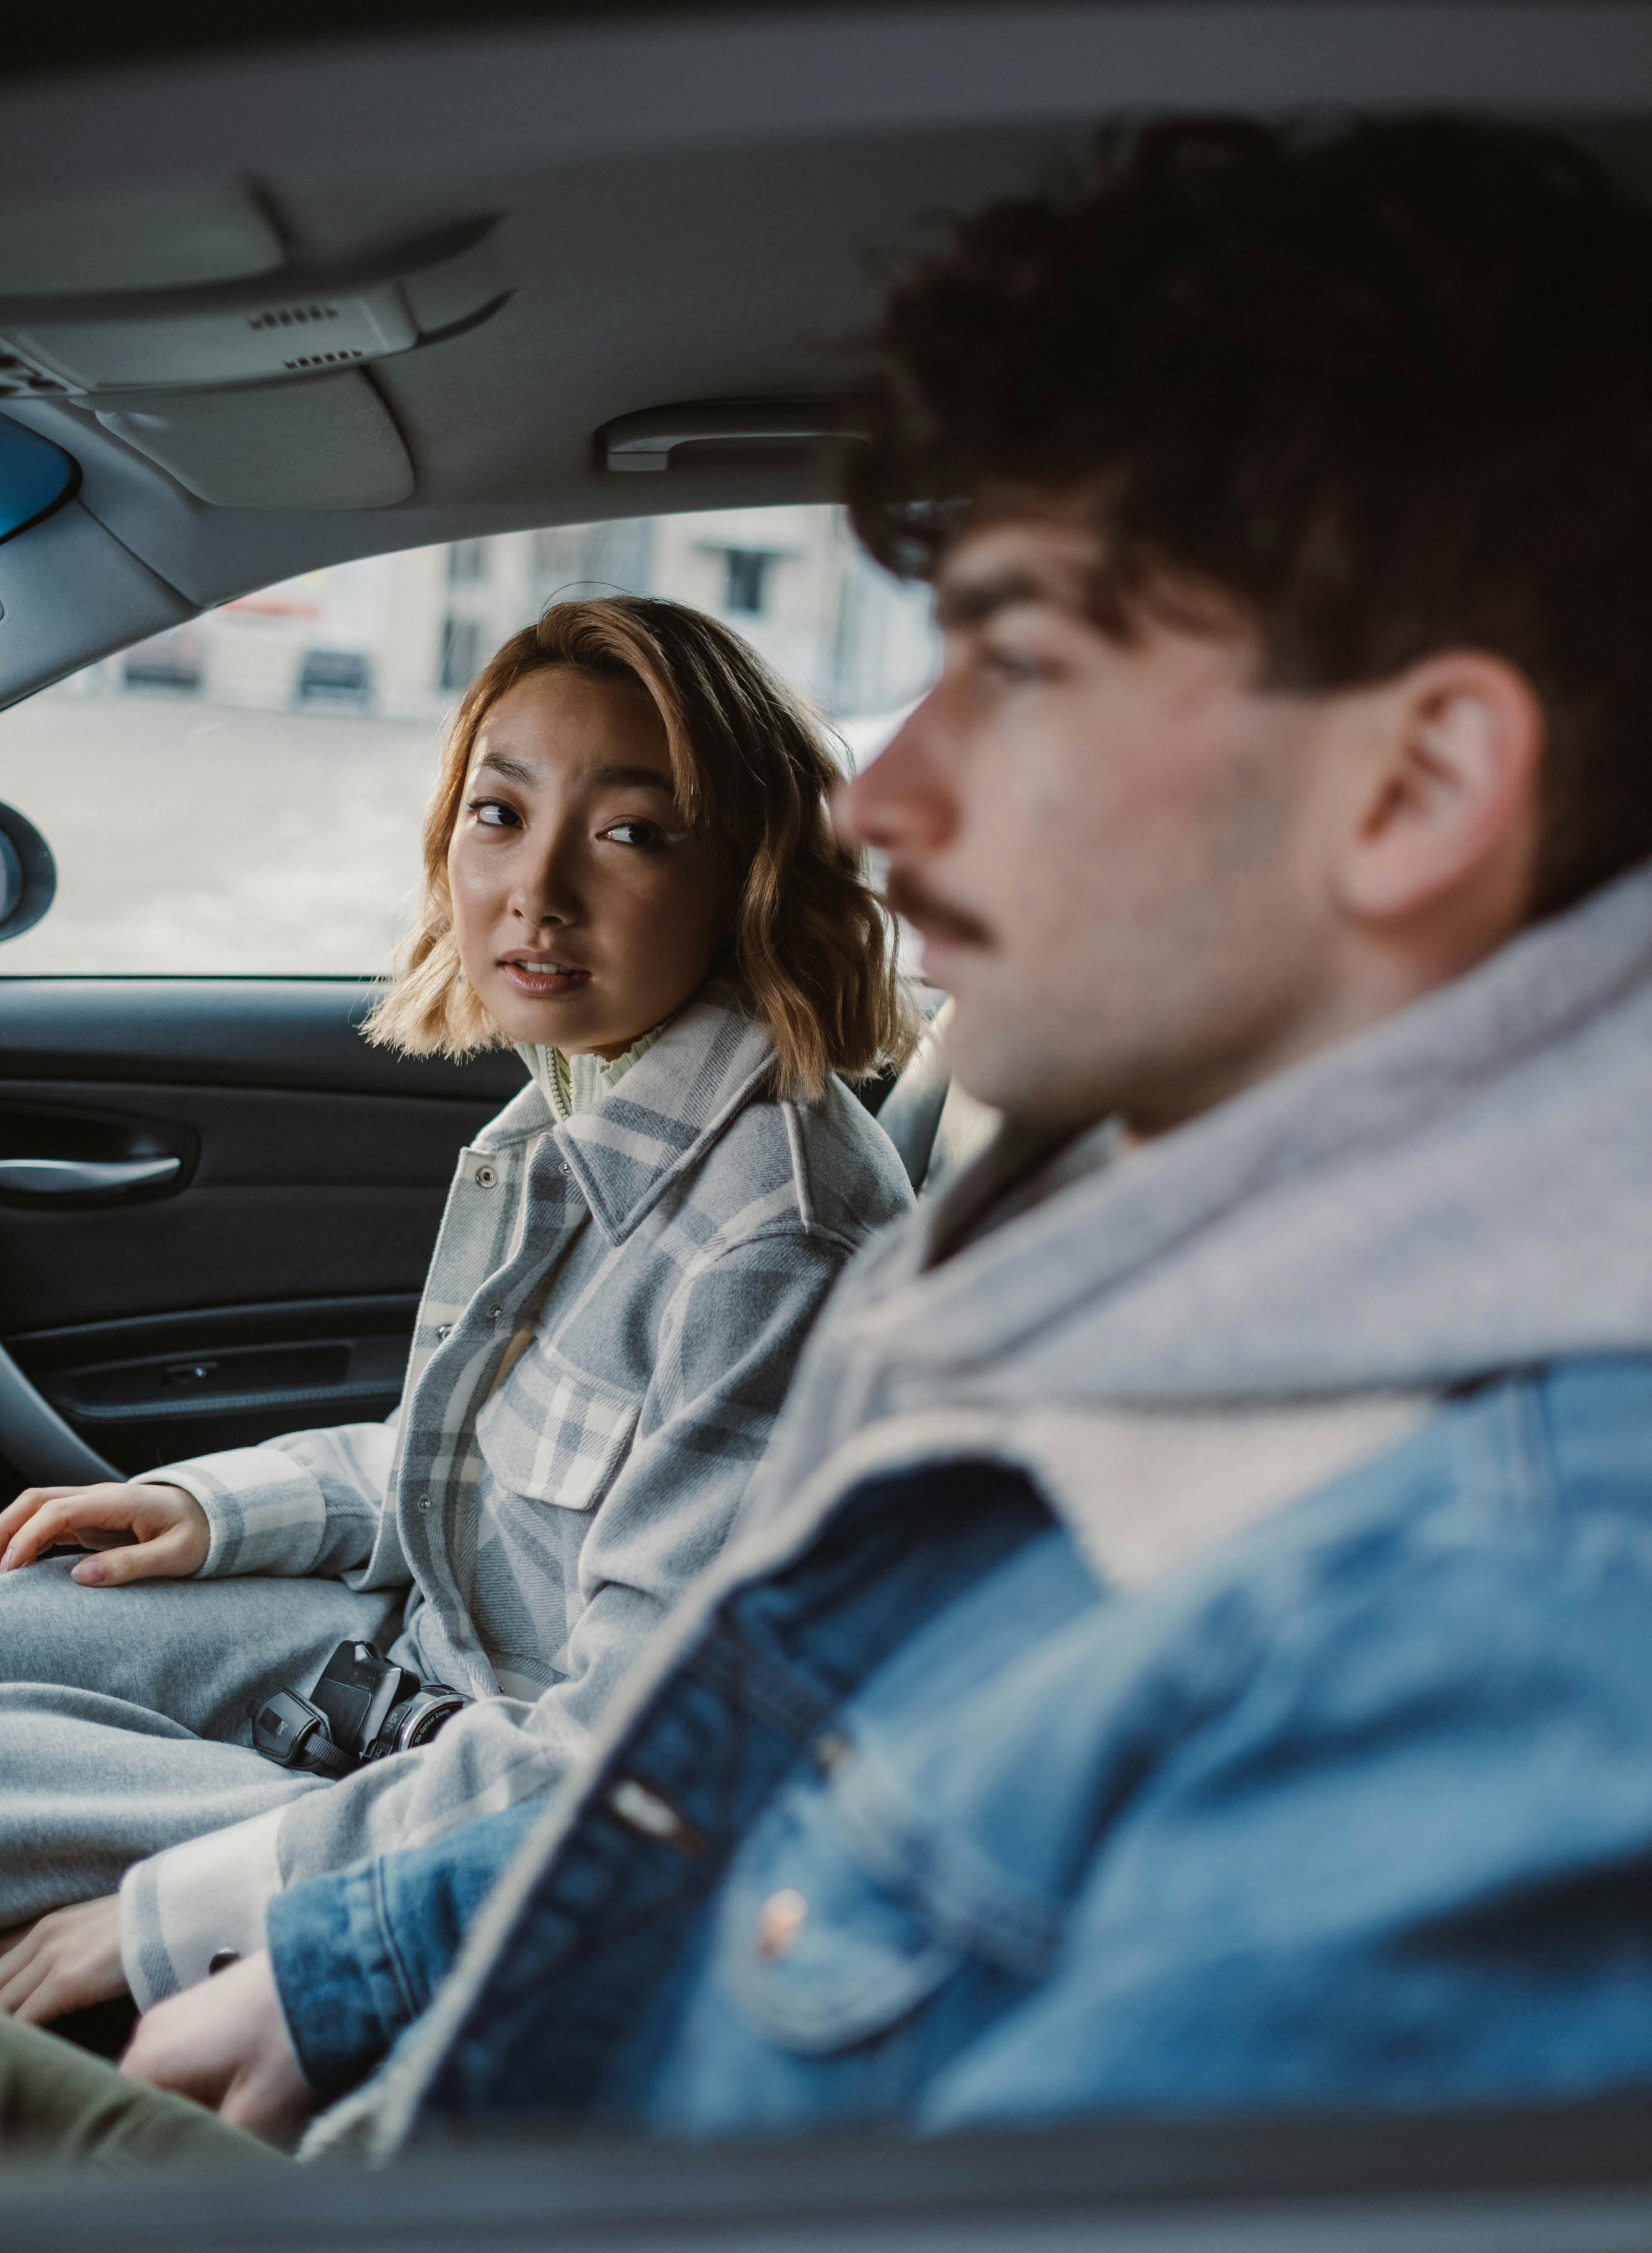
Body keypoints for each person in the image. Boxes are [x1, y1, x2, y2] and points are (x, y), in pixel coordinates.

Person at [10, 107, 1652, 2163]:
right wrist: (346, 1959)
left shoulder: (1502, 1634)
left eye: (1021, 665)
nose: (881, 803)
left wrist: (239, 1935)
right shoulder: (1133, 1271)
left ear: (1415, 788)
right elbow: (771, 1763)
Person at [0, 596, 914, 2037]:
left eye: (630, 832)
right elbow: (468, 1458)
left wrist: (177, 1915)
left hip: (476, 1805)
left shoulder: (776, 1239)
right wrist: (210, 1505)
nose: (534, 890)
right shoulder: (567, 1111)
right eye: (500, 812)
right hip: (398, 1671)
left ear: (748, 873)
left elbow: (628, 1759)